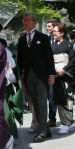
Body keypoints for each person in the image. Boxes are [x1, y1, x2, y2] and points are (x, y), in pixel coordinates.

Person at [16, 13, 55, 142]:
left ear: (35, 23)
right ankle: (45, 129)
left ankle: (42, 131)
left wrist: (51, 74)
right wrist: (18, 74)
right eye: (24, 20)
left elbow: (49, 57)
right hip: (28, 76)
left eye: (28, 20)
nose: (25, 22)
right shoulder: (21, 39)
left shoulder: (42, 38)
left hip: (42, 75)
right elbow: (20, 59)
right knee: (34, 103)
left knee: (42, 102)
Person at [51, 23, 75, 134]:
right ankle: (67, 122)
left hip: (66, 75)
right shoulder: (53, 45)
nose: (54, 33)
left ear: (62, 33)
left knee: (68, 98)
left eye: (56, 31)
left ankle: (67, 123)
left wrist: (64, 70)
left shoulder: (68, 45)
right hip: (57, 75)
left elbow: (72, 60)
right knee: (59, 99)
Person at [45, 19, 58, 128]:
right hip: (49, 72)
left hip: (60, 72)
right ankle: (52, 118)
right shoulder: (46, 39)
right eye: (47, 26)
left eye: (49, 26)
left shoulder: (62, 40)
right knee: (51, 96)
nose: (47, 28)